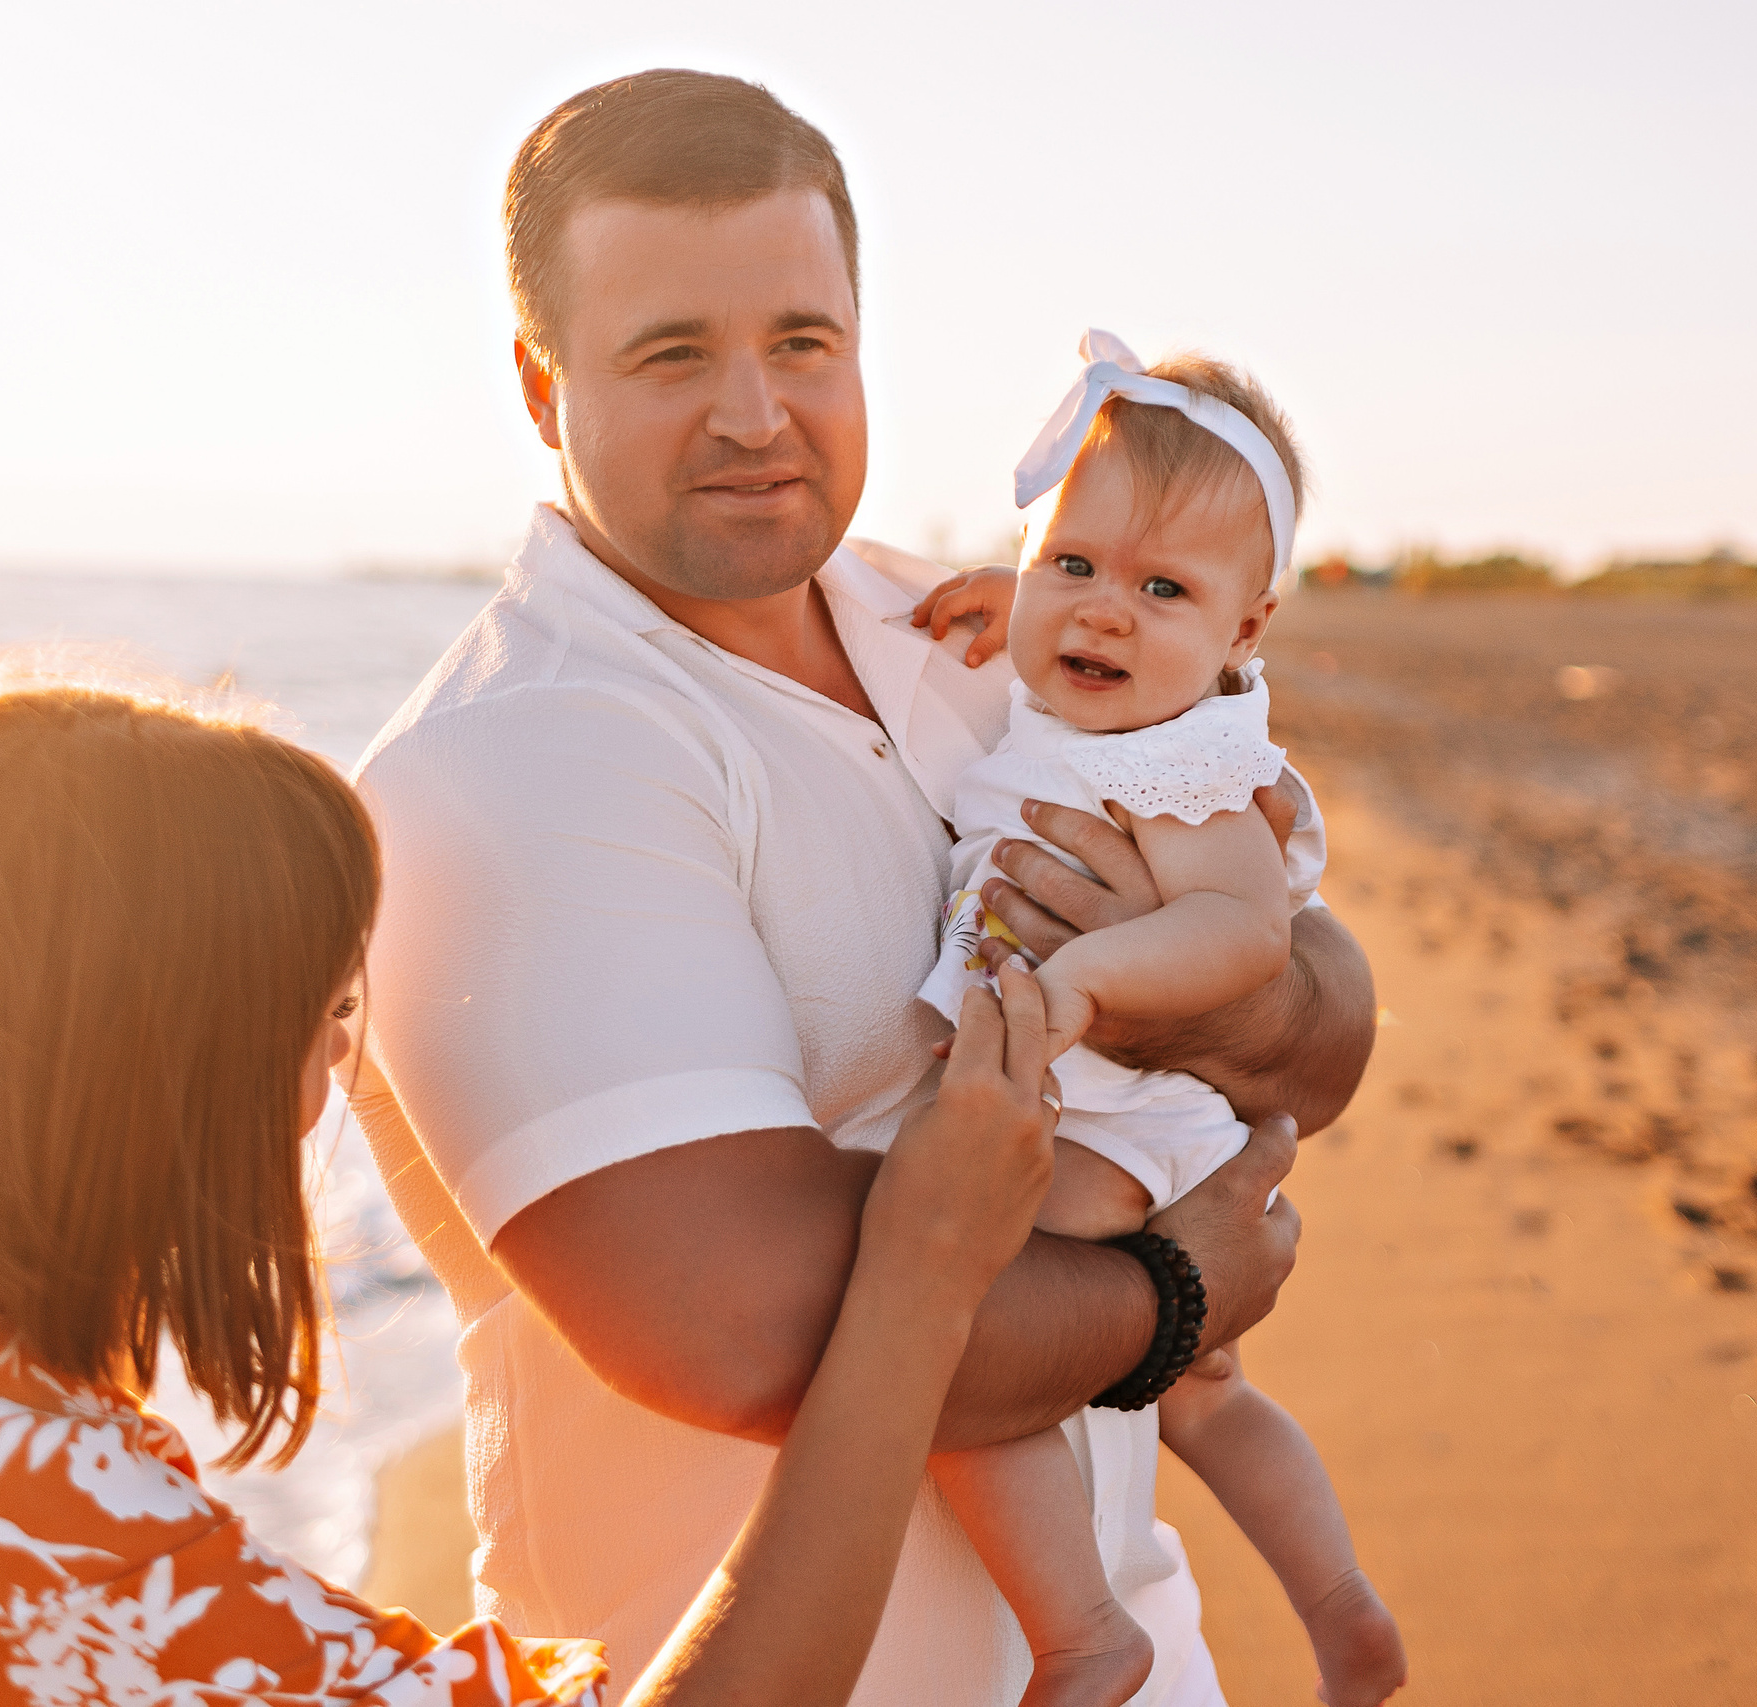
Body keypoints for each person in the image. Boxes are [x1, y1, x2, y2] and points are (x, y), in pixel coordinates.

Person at [352, 69, 1378, 1704]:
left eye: (802, 342)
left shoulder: (987, 633)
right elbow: (744, 1328)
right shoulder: (511, 765)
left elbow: (1326, 1023)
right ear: (544, 386)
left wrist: (1232, 990)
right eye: (673, 353)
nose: (757, 413)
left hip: (1135, 1646)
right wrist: (1177, 1292)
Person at [0, 657, 1067, 1706]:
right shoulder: (19, 1502)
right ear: (147, 1066)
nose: (331, 1083)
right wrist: (919, 1283)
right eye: (323, 1020)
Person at [908, 332, 1407, 1707]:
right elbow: (1069, 602)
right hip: (1112, 1103)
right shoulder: (1100, 689)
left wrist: (1088, 983)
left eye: (1162, 589)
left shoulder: (1187, 765)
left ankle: (1082, 1633)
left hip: (1129, 1113)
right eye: (1073, 565)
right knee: (1208, 1397)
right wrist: (1014, 594)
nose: (1102, 614)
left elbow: (1245, 933)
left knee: (952, 1330)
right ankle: (1342, 1610)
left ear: (1244, 633)